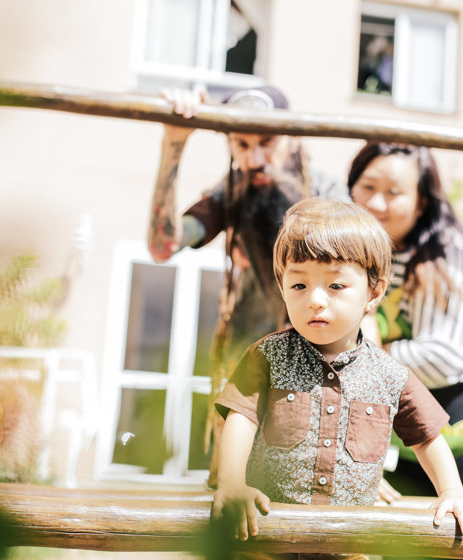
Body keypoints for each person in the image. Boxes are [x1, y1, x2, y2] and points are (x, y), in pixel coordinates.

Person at [212, 198, 463, 543]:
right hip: (269, 539)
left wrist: (451, 492)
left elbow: (427, 438)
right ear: (282, 287)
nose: (315, 299)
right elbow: (240, 418)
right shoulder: (268, 357)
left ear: (374, 293)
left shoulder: (389, 375)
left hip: (351, 544)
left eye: (335, 286)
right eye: (299, 285)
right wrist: (231, 483)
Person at [146, 86, 349, 485]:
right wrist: (173, 142)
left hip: (318, 371)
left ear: (293, 136)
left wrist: (282, 198)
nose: (254, 158)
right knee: (233, 495)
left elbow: (353, 275)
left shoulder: (328, 191)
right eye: (241, 144)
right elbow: (162, 244)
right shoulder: (233, 191)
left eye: (266, 141)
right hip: (248, 368)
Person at [348, 143, 463, 500]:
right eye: (368, 186)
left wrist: (364, 354)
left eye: (394, 192)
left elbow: (442, 356)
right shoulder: (353, 249)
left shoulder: (448, 253)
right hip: (396, 399)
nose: (376, 202)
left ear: (421, 202)